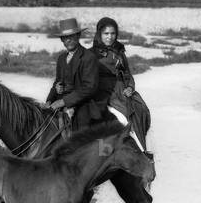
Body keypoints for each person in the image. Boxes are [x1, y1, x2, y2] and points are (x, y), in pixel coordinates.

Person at [90, 16, 149, 149]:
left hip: (121, 91)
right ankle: (104, 153)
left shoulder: (119, 52)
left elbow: (127, 74)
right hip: (102, 93)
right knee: (113, 119)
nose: (109, 37)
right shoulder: (91, 54)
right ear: (99, 34)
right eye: (106, 34)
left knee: (140, 112)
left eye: (113, 33)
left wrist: (130, 87)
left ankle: (140, 149)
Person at [45, 17, 108, 131]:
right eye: (64, 38)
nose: (68, 40)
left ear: (78, 36)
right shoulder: (61, 58)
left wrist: (63, 102)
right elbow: (57, 81)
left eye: (71, 37)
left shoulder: (88, 57)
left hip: (82, 103)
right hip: (61, 100)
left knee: (80, 134)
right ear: (62, 40)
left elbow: (89, 87)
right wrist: (50, 100)